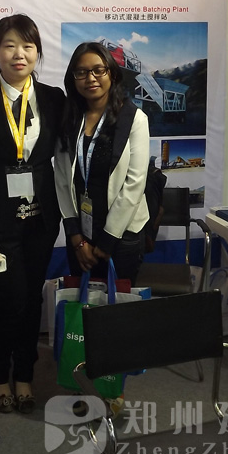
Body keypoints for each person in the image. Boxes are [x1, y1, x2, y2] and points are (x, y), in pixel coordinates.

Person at [0, 14, 65, 414]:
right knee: (12, 299)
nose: (19, 54)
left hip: (41, 216)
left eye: (28, 46)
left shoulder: (54, 98)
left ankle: (25, 375)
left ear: (37, 53)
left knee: (32, 298)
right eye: (10, 45)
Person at [54, 42, 150, 284]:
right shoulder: (69, 118)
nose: (90, 78)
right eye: (81, 72)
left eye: (99, 70)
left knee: (119, 305)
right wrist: (75, 237)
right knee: (83, 302)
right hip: (82, 236)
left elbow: (135, 183)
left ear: (112, 74)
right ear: (73, 78)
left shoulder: (134, 119)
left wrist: (108, 240)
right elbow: (62, 180)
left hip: (122, 235)